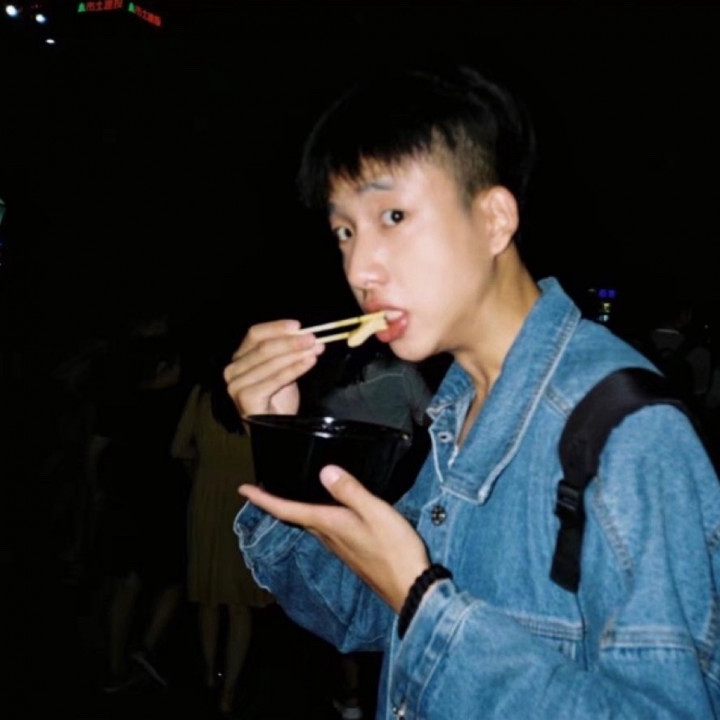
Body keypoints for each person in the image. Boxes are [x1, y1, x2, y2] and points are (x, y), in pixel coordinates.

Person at [223, 63, 720, 718]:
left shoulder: (624, 430)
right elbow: (360, 615)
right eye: (345, 231)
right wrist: (280, 440)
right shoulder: (459, 407)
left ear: (494, 219)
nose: (360, 268)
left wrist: (423, 600)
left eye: (393, 215)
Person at [304, 341, 433, 719]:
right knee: (404, 584)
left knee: (352, 584)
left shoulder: (331, 378)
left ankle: (352, 696)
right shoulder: (400, 373)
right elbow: (431, 418)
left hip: (345, 487)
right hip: (397, 487)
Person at [89, 323, 191, 693]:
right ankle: (141, 649)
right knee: (172, 579)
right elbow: (185, 455)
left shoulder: (121, 400)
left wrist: (96, 489)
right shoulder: (177, 405)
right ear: (163, 367)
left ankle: (116, 662)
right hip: (161, 502)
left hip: (126, 498)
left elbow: (96, 448)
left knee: (126, 584)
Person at [170, 357, 274, 717]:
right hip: (247, 506)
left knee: (209, 597)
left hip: (207, 502)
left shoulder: (202, 397)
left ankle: (210, 676)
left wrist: (203, 469)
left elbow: (178, 449)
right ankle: (228, 690)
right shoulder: (262, 397)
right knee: (240, 604)